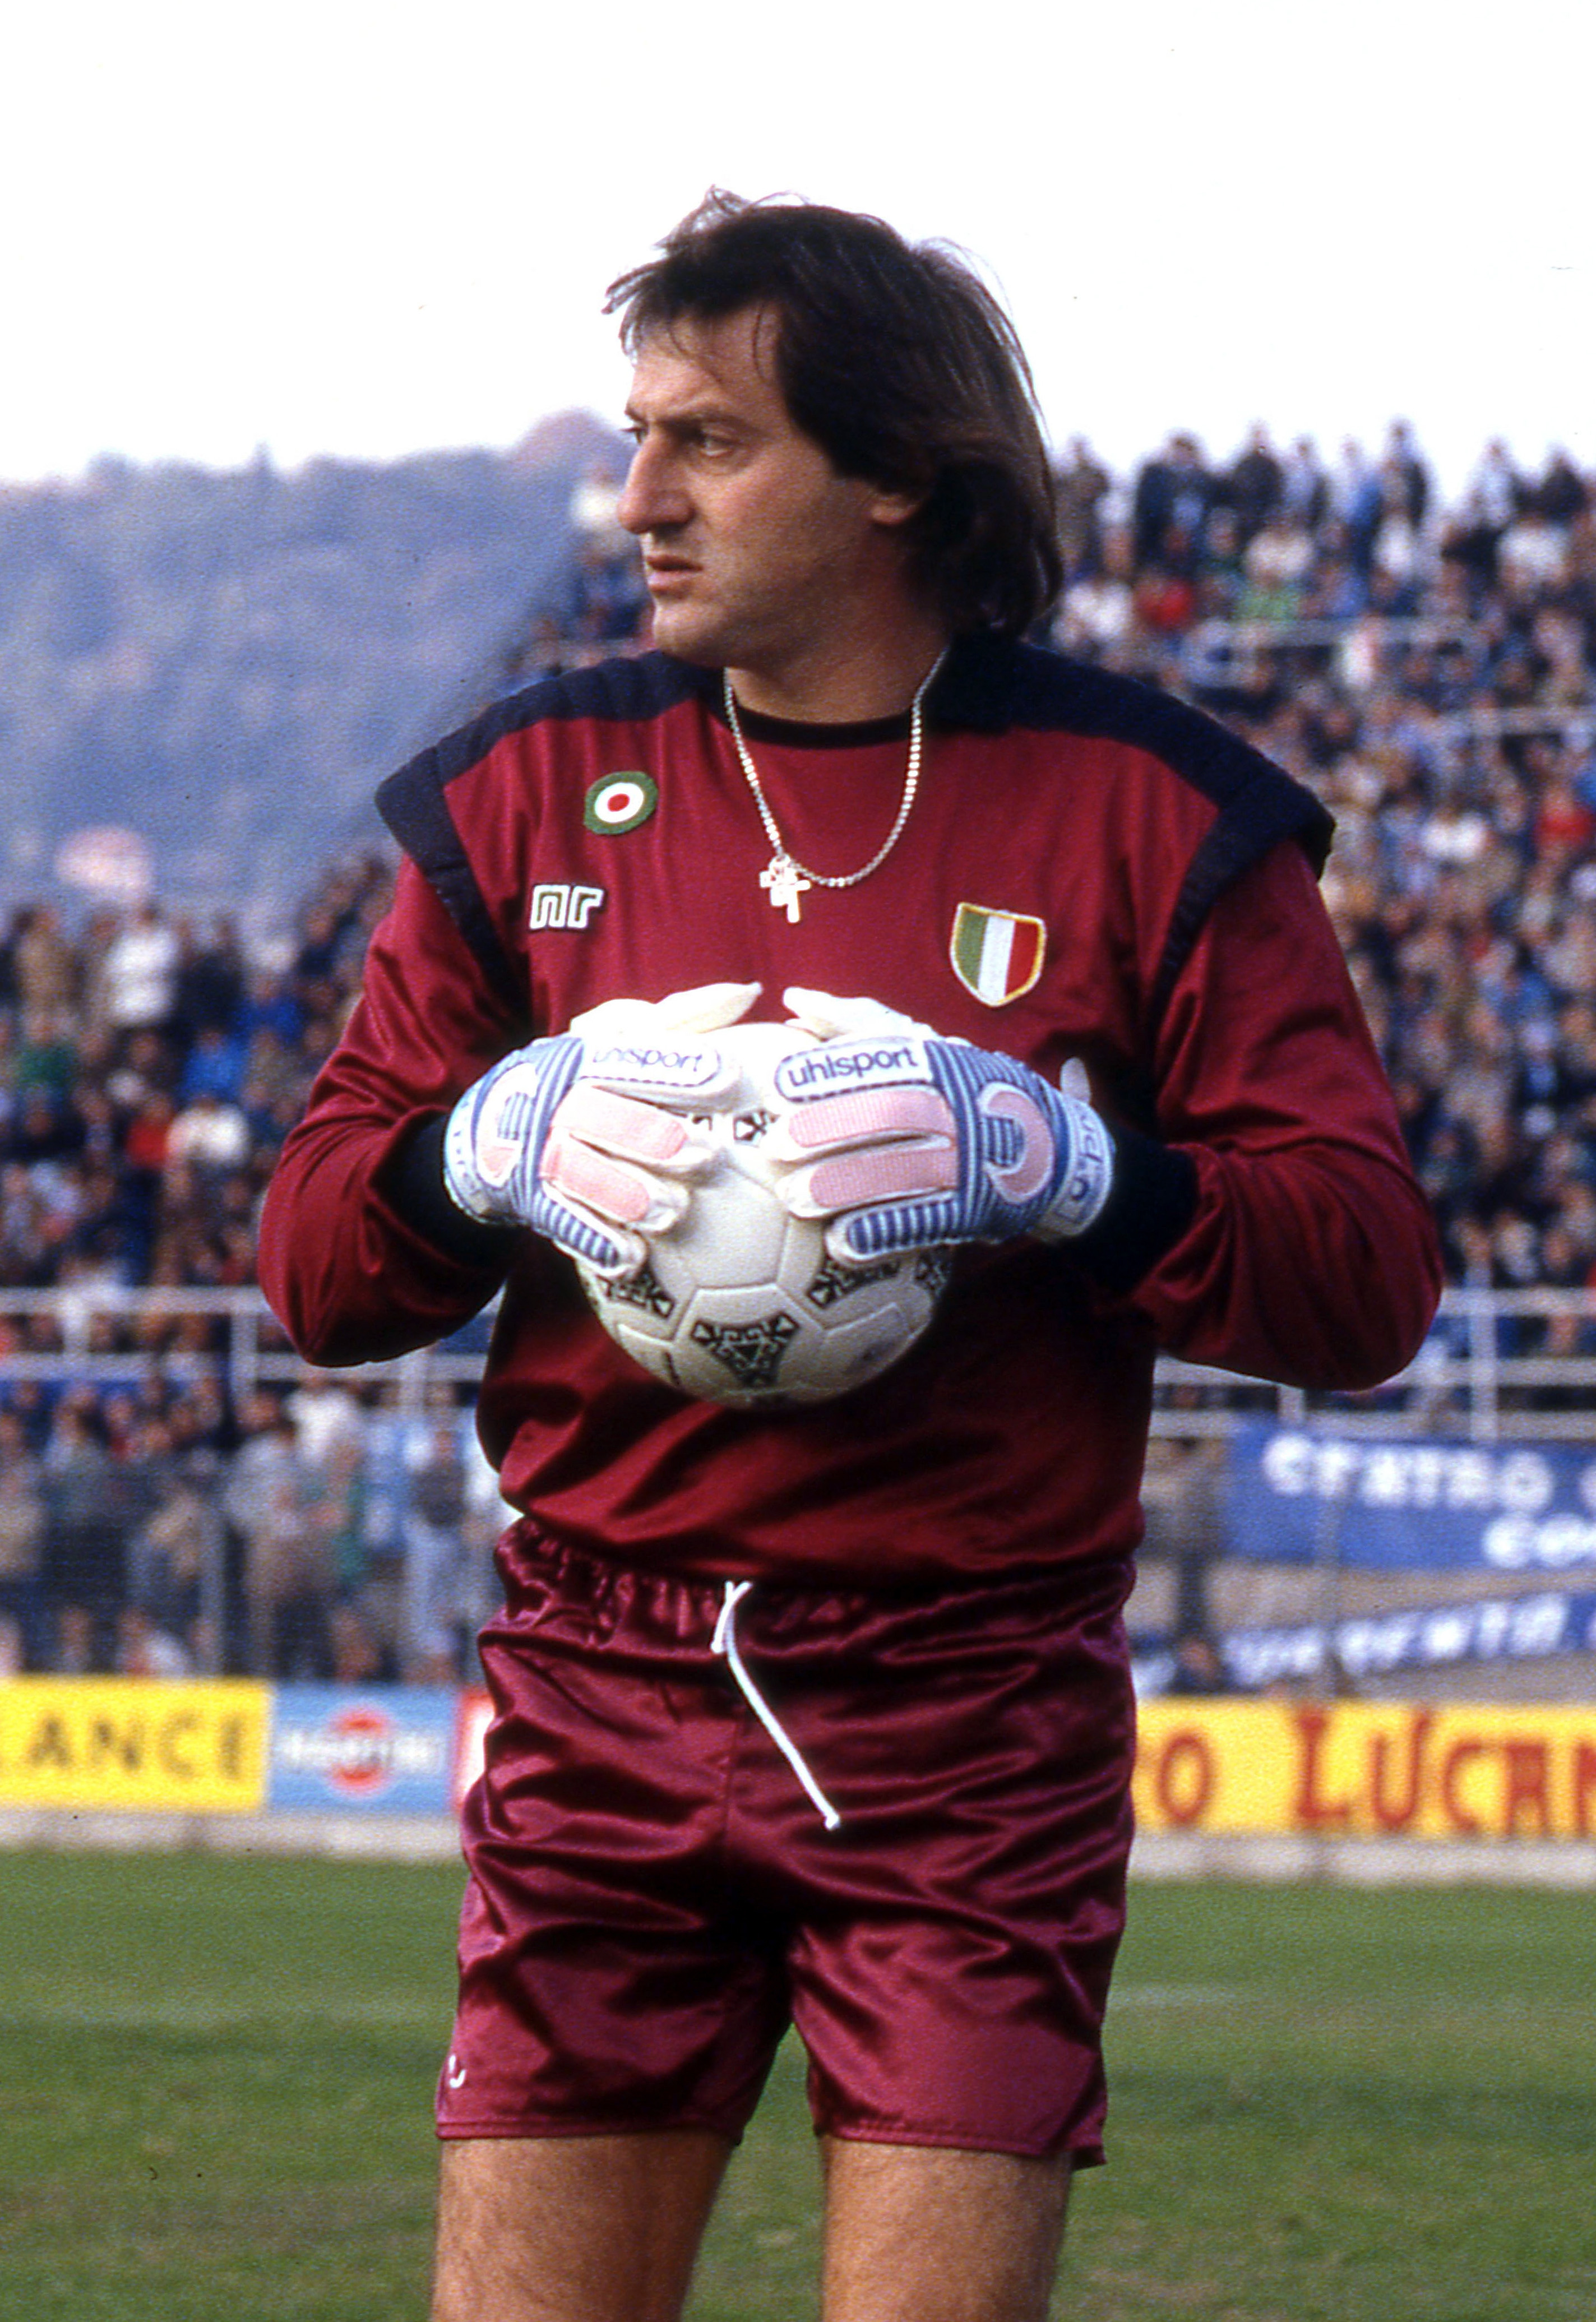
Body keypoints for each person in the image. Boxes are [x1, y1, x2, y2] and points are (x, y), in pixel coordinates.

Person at [258, 192, 1441, 2322]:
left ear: (898, 470)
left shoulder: (1160, 818)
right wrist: (471, 1151)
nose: (636, 498)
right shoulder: (524, 798)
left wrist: (1083, 1171)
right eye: (641, 436)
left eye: (708, 441)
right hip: (596, 1687)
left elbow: (1362, 1279)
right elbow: (321, 1276)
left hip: (966, 1714)